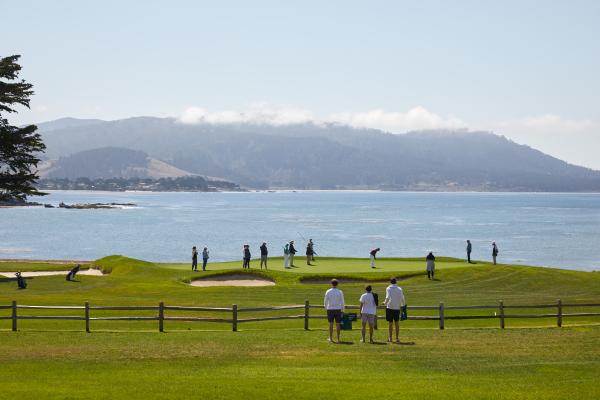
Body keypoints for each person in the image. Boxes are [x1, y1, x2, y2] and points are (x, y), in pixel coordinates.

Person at [384, 277, 406, 343]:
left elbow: (387, 297)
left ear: (390, 282)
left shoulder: (388, 288)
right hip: (397, 308)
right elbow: (402, 298)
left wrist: (384, 303)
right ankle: (397, 338)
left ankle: (390, 338)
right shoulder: (399, 289)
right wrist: (403, 305)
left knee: (390, 323)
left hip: (390, 307)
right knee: (397, 323)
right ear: (396, 282)